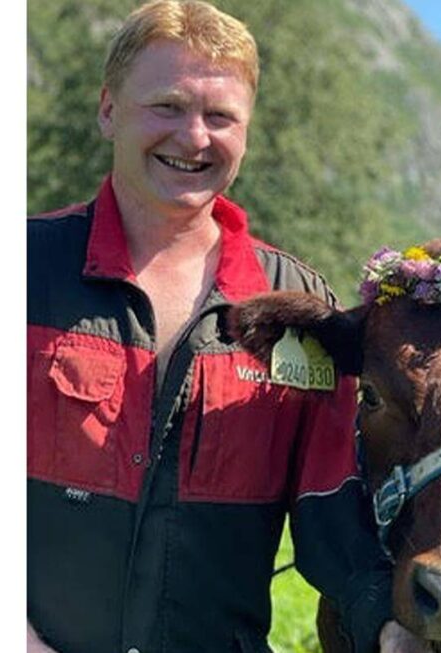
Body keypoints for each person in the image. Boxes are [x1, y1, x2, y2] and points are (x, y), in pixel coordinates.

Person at [26, 2, 420, 651]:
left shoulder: (294, 300)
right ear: (107, 110)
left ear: (247, 131)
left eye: (220, 117)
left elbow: (332, 512)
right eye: (168, 106)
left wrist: (391, 624)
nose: (194, 137)